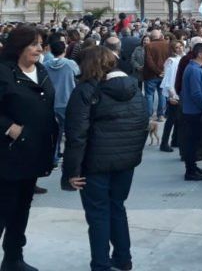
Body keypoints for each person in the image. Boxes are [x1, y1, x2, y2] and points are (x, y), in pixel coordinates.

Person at [63, 46, 148, 271]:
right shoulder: (133, 88)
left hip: (95, 163)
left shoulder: (86, 91)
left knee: (99, 215)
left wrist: (72, 171)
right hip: (125, 162)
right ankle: (123, 258)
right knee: (117, 207)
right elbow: (142, 124)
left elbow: (76, 134)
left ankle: (101, 264)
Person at [0, 26, 58, 271]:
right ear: (19, 46)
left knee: (22, 209)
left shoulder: (41, 70)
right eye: (33, 44)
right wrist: (8, 126)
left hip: (35, 153)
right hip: (9, 155)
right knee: (3, 209)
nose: (38, 48)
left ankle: (13, 259)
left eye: (40, 44)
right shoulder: (3, 72)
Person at [44, 37, 78, 167]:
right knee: (70, 132)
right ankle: (69, 159)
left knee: (55, 133)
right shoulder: (70, 64)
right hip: (67, 101)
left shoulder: (45, 65)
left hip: (51, 102)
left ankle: (54, 158)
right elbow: (78, 75)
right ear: (64, 50)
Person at [182, 42, 202, 181]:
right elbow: (196, 94)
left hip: (193, 110)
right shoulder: (194, 70)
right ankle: (190, 171)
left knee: (193, 141)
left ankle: (193, 167)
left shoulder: (196, 67)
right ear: (200, 54)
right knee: (192, 142)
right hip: (194, 112)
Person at [159, 40, 184, 153]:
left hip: (180, 91)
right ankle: (164, 143)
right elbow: (168, 79)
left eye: (180, 46)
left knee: (179, 118)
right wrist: (171, 95)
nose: (180, 49)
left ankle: (175, 140)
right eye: (177, 47)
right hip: (173, 92)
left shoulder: (182, 59)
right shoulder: (171, 61)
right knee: (171, 120)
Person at [143, 30, 170, 121]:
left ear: (151, 37)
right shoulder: (167, 44)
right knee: (162, 95)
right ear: (160, 36)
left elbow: (149, 61)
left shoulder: (148, 46)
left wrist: (158, 72)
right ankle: (161, 115)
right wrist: (163, 71)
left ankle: (149, 115)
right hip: (164, 74)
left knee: (149, 95)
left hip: (151, 74)